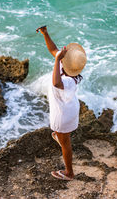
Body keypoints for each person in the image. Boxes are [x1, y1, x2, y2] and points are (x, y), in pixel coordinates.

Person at [36, 26, 87, 181]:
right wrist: (46, 34)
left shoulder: (68, 80)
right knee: (63, 137)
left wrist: (58, 59)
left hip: (63, 115)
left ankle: (69, 173)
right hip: (69, 108)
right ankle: (61, 137)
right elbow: (54, 50)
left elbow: (56, 83)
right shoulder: (67, 69)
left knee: (66, 144)